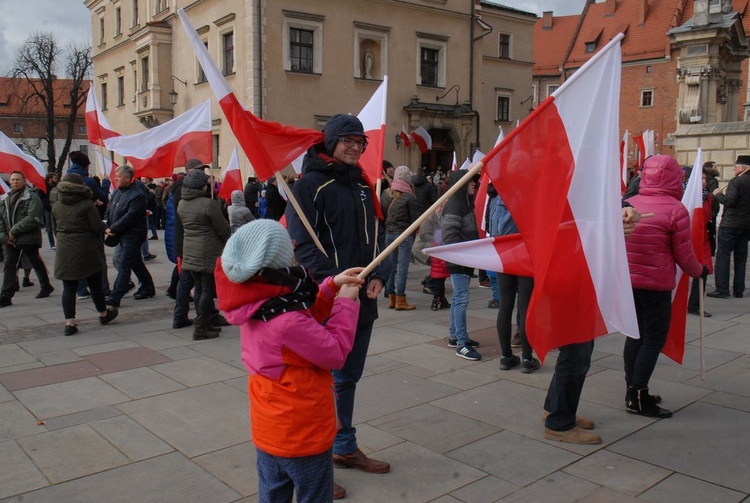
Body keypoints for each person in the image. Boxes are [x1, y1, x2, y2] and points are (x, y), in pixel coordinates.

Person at [216, 219, 362, 503]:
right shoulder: (285, 321)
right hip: (301, 432)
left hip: (270, 430)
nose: (295, 254)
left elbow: (306, 320)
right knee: (314, 496)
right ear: (278, 262)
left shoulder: (258, 303)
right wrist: (345, 304)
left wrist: (331, 287)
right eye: (290, 251)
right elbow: (334, 352)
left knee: (273, 493)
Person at [286, 114, 391, 500]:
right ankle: (315, 462)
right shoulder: (310, 185)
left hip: (363, 300)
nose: (355, 147)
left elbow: (378, 237)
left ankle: (343, 446)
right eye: (347, 140)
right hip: (325, 299)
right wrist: (336, 281)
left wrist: (382, 271)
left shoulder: (364, 185)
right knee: (321, 383)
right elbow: (301, 244)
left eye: (360, 141)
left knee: (348, 378)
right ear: (329, 143)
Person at [543, 205, 642, 445]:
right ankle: (559, 423)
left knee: (577, 351)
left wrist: (626, 212)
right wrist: (610, 229)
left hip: (580, 276)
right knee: (576, 353)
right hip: (565, 277)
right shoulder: (558, 184)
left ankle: (556, 409)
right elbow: (561, 231)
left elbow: (598, 210)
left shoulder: (582, 183)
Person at [624, 155, 704, 418]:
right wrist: (699, 271)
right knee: (653, 339)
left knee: (634, 335)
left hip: (628, 281)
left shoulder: (629, 203)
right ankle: (638, 395)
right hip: (655, 284)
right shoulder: (675, 209)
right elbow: (685, 255)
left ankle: (632, 391)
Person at [51, 173, 118, 335]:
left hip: (64, 249)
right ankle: (103, 314)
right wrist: (107, 230)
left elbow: (54, 229)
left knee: (69, 287)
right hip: (85, 248)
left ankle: (70, 324)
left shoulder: (56, 205)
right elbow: (96, 226)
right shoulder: (86, 204)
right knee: (95, 284)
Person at [490, 189, 540, 373]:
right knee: (525, 306)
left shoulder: (496, 196)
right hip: (525, 254)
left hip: (503, 254)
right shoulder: (527, 193)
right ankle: (527, 358)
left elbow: (491, 227)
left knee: (505, 305)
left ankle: (505, 356)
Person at [178, 169, 231, 341]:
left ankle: (204, 322)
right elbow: (222, 228)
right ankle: (201, 326)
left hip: (190, 249)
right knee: (207, 289)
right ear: (201, 186)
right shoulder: (208, 204)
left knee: (199, 287)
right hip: (208, 249)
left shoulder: (182, 203)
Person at [442, 169, 481, 360]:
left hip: (464, 258)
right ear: (461, 184)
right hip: (458, 260)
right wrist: (463, 253)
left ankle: (454, 336)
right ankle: (462, 343)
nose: (474, 183)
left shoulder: (464, 203)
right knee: (461, 298)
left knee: (459, 297)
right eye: (471, 181)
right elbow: (449, 237)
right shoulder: (455, 205)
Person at [104, 165, 156, 307]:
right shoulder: (117, 192)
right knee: (135, 262)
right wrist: (106, 224)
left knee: (124, 263)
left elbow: (130, 216)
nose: (115, 178)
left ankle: (115, 296)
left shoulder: (137, 195)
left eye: (118, 176)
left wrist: (113, 228)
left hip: (133, 235)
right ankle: (148, 286)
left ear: (127, 178)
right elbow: (110, 209)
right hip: (120, 233)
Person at [0, 171, 54, 307]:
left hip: (27, 237)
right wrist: (4, 236)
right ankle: (5, 296)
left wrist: (13, 230)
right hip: (9, 239)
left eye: (18, 179)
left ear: (24, 181)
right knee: (9, 265)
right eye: (12, 180)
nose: (14, 182)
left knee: (35, 261)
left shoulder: (32, 197)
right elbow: (0, 219)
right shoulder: (4, 198)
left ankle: (46, 285)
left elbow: (33, 218)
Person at [707, 155, 750, 299]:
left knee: (723, 256)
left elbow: (730, 201)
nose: (734, 168)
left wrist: (718, 195)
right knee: (741, 258)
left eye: (736, 166)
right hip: (746, 226)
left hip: (730, 225)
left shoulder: (736, 182)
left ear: (743, 168)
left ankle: (722, 289)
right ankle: (739, 290)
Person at [381, 165, 420, 311]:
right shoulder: (409, 196)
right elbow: (415, 219)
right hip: (403, 235)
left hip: (389, 234)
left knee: (391, 267)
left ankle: (391, 297)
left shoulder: (386, 193)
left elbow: (382, 213)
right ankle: (401, 299)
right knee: (403, 268)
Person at [688, 170, 717, 317]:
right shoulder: (687, 195)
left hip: (702, 237)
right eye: (701, 178)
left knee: (703, 270)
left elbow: (710, 214)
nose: (704, 181)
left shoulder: (708, 196)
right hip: (686, 236)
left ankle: (695, 305)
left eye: (705, 178)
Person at [419, 202, 450, 311]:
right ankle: (436, 300)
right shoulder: (430, 218)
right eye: (440, 206)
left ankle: (441, 300)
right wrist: (436, 241)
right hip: (433, 249)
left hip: (440, 249)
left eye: (443, 207)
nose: (442, 209)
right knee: (439, 278)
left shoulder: (443, 218)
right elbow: (423, 234)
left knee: (440, 277)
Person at [41, 172, 58, 250]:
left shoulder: (55, 186)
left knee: (57, 227)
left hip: (55, 208)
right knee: (50, 227)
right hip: (47, 209)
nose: (56, 179)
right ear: (50, 179)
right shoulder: (43, 187)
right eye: (55, 178)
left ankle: (58, 242)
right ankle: (52, 244)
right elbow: (40, 198)